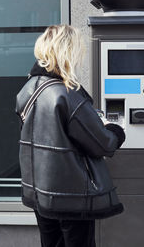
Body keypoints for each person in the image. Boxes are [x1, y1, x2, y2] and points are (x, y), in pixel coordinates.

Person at [16, 24, 126, 247]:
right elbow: (103, 145)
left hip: (42, 194)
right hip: (72, 197)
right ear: (67, 52)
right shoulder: (66, 94)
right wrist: (115, 130)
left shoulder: (28, 89)